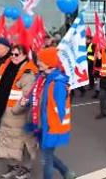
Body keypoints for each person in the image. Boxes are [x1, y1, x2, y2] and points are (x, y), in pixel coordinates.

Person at [0, 44, 38, 179]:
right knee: (8, 142)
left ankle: (26, 169)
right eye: (12, 54)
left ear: (24, 55)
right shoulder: (10, 66)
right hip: (5, 112)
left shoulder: (29, 71)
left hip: (18, 115)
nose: (13, 57)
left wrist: (15, 110)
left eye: (17, 54)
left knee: (24, 143)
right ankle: (14, 167)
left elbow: (26, 96)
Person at [36, 47, 76, 179]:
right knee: (47, 155)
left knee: (46, 159)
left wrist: (51, 129)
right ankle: (66, 172)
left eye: (41, 60)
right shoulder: (48, 78)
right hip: (46, 125)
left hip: (52, 127)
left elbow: (60, 110)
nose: (38, 62)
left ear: (49, 62)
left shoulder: (56, 83)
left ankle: (65, 172)